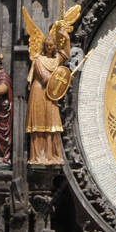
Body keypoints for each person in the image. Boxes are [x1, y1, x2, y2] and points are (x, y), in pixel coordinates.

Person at [26, 34, 68, 164]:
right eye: (47, 45)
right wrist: (59, 78)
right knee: (39, 122)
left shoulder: (56, 60)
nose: (49, 47)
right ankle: (39, 156)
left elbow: (66, 54)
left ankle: (51, 155)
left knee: (52, 122)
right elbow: (45, 77)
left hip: (52, 94)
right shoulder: (38, 60)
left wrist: (66, 38)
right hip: (39, 91)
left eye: (52, 45)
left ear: (55, 46)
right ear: (44, 46)